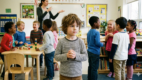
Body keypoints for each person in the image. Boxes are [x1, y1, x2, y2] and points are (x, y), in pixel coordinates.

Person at [55, 14, 87, 80]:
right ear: (65, 27)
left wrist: (76, 55)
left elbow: (85, 56)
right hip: (64, 74)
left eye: (77, 26)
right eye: (72, 26)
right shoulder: (61, 41)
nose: (75, 28)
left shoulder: (80, 41)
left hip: (77, 74)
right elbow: (56, 57)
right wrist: (66, 55)